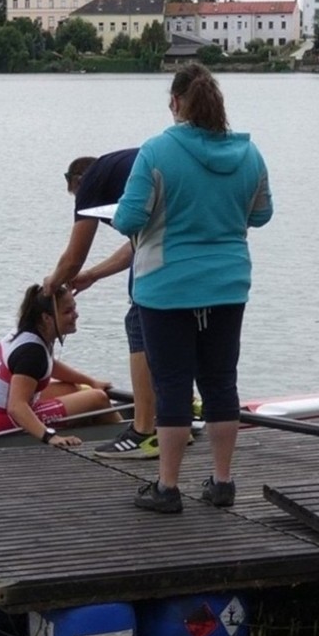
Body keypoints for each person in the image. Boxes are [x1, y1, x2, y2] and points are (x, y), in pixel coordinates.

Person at [113, 63, 273, 513]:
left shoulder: (156, 151)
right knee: (221, 383)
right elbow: (262, 214)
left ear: (176, 103)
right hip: (227, 286)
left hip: (166, 288)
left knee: (173, 386)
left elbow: (127, 218)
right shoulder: (249, 154)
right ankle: (222, 482)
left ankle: (167, 488)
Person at [42, 148, 162, 460]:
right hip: (188, 245)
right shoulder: (128, 171)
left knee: (139, 325)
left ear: (77, 181)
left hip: (162, 258)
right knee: (170, 331)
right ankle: (176, 417)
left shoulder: (93, 180)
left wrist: (51, 285)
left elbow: (73, 258)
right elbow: (138, 244)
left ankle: (144, 431)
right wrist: (93, 275)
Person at [0, 284, 120, 445]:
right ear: (47, 318)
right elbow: (16, 407)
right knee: (98, 399)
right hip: (1, 425)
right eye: (68, 311)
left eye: (74, 308)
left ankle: (91, 427)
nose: (76, 315)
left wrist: (91, 381)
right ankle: (124, 437)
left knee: (73, 388)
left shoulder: (27, 333)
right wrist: (50, 437)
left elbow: (50, 365)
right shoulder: (32, 353)